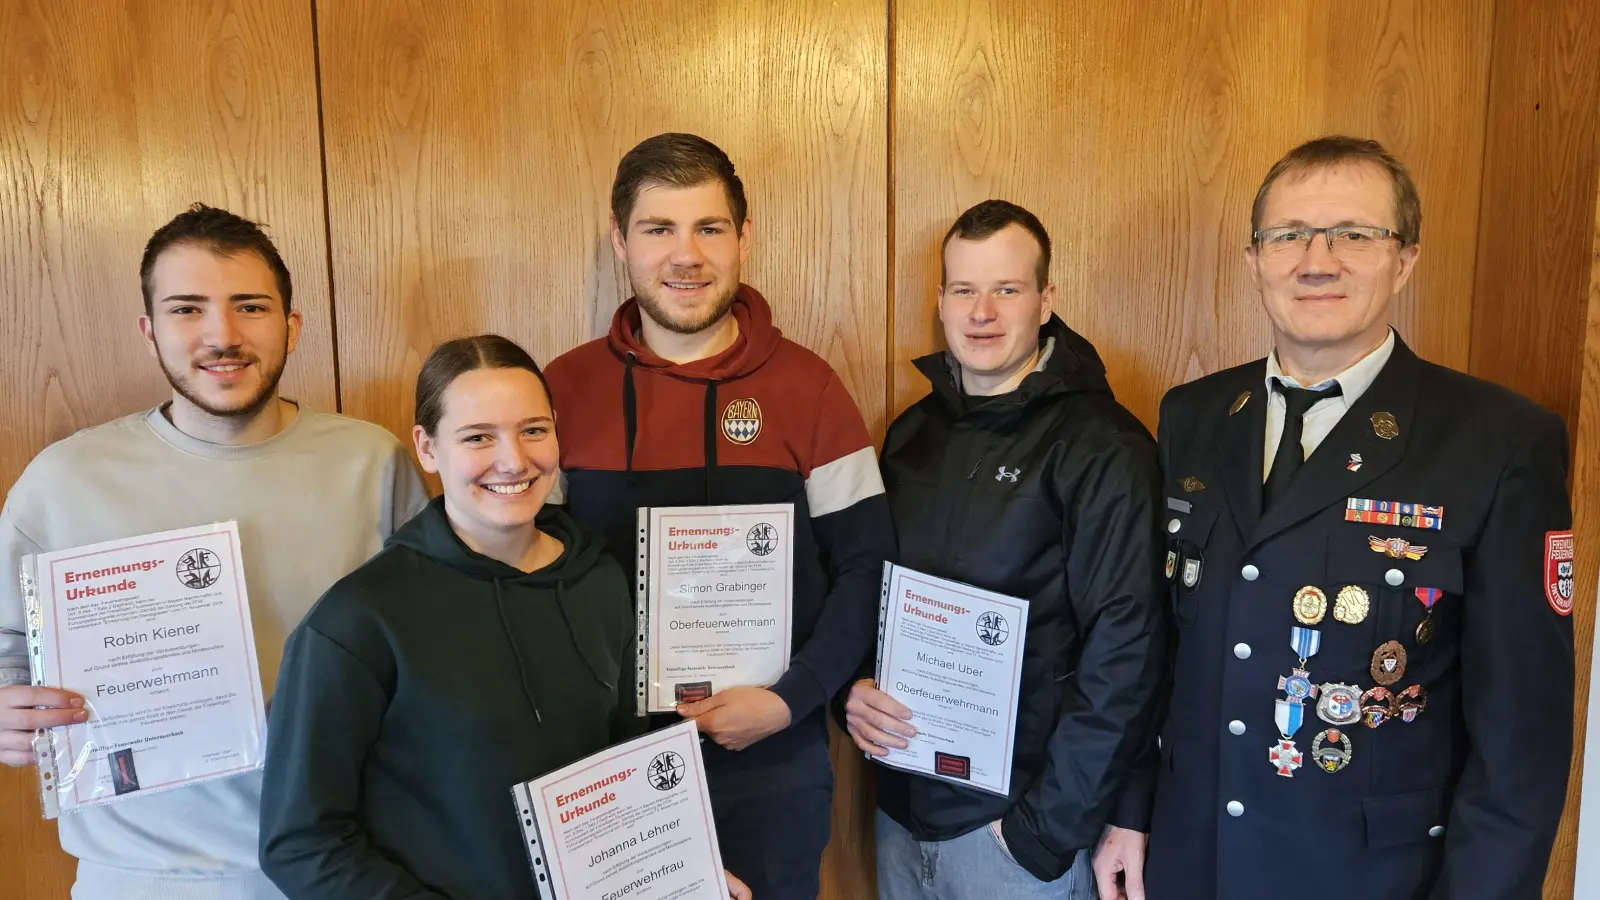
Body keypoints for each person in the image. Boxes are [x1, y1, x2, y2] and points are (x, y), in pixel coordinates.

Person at [1103, 135, 1576, 899]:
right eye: (1287, 236)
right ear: (1254, 260)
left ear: (1407, 258)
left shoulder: (1497, 439)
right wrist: (1130, 811)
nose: (1316, 260)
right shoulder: (1192, 416)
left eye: (1355, 235)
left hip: (1371, 876)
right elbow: (1161, 647)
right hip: (1196, 861)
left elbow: (1521, 739)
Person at [0, 203, 428, 899]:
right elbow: (8, 651)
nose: (221, 335)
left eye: (250, 307)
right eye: (187, 309)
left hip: (343, 865)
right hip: (141, 875)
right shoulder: (63, 480)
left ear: (291, 326)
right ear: (150, 332)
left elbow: (435, 641)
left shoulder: (372, 463)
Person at [257, 335, 750, 900]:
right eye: (478, 437)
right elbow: (300, 843)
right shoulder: (358, 621)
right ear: (426, 447)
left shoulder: (601, 580)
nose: (514, 460)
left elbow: (630, 762)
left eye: (533, 430)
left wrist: (683, 875)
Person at [545, 132, 895, 899]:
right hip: (606, 768)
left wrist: (790, 700)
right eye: (658, 229)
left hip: (769, 765)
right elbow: (526, 580)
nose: (685, 255)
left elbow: (868, 568)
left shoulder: (812, 388)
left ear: (744, 238)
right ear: (619, 242)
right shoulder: (560, 392)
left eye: (708, 228)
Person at [842, 200, 1167, 899]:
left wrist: (1042, 832)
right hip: (901, 817)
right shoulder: (910, 435)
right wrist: (855, 688)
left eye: (1007, 290)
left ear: (1047, 300)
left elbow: (1128, 650)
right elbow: (873, 595)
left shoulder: (1102, 445)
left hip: (1011, 835)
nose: (981, 311)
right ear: (940, 301)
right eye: (964, 290)